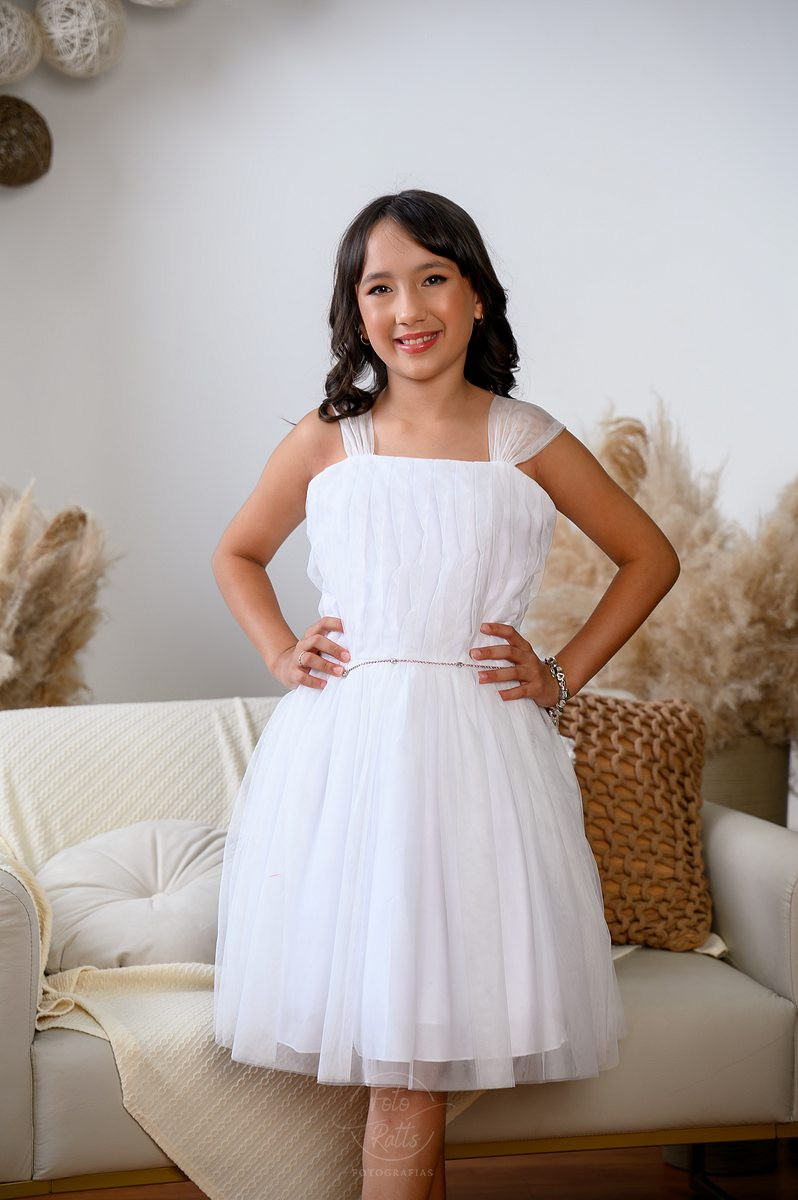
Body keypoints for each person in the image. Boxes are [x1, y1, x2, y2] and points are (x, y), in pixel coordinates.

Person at [211, 188, 680, 1200]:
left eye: (432, 278)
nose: (408, 307)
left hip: (477, 759)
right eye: (379, 287)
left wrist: (560, 674)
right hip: (347, 759)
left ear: (476, 296)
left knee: (413, 1068)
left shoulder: (524, 436)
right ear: (355, 309)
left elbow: (649, 556)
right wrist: (281, 650)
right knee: (401, 1067)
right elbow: (238, 552)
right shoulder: (330, 436)